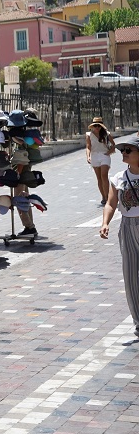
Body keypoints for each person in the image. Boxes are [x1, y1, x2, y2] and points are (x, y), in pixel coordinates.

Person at [100, 135, 139, 338]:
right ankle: (138, 321)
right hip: (127, 226)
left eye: (128, 150)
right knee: (130, 275)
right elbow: (110, 203)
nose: (123, 153)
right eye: (123, 150)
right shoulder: (118, 178)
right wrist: (105, 223)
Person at [87, 117, 116, 205]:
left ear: (101, 126)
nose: (97, 128)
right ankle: (103, 196)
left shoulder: (106, 134)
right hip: (94, 155)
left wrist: (109, 152)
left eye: (99, 126)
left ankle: (107, 197)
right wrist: (88, 156)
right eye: (95, 126)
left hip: (104, 155)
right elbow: (88, 147)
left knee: (104, 175)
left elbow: (114, 145)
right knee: (99, 178)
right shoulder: (89, 135)